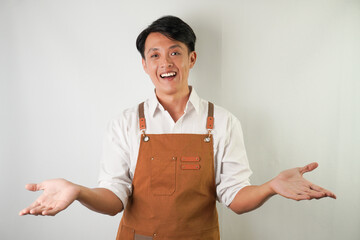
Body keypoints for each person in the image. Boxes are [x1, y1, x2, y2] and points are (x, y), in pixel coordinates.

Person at [19, 16, 336, 240]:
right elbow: (114, 198)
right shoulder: (125, 123)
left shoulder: (223, 122)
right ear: (145, 65)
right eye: (154, 55)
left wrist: (270, 187)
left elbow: (235, 197)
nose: (165, 63)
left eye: (175, 52)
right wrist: (78, 191)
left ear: (191, 58)